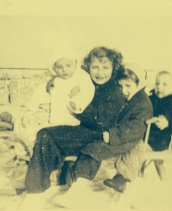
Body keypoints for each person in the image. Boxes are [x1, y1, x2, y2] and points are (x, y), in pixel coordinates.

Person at [19, 46, 125, 209]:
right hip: (80, 131)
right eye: (95, 67)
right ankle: (35, 192)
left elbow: (102, 121)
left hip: (98, 135)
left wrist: (77, 105)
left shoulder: (114, 91)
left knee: (49, 135)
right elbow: (65, 76)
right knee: (45, 134)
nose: (100, 72)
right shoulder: (84, 80)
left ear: (113, 69)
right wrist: (54, 80)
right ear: (88, 67)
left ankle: (46, 191)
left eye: (106, 68)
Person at [53, 63, 153, 207]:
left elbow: (135, 127)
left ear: (140, 83)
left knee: (93, 151)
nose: (123, 90)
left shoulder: (143, 103)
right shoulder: (127, 97)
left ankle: (76, 192)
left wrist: (112, 135)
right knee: (89, 147)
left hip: (127, 139)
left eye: (128, 86)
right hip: (116, 135)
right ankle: (76, 188)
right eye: (120, 86)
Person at [14, 43, 95, 156]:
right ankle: (30, 151)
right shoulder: (51, 81)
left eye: (68, 65)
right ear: (53, 68)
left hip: (70, 117)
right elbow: (38, 96)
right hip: (50, 116)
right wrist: (31, 109)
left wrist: (77, 102)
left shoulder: (81, 77)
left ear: (75, 64)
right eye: (59, 67)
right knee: (28, 125)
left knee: (50, 135)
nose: (64, 70)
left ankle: (45, 152)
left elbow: (88, 91)